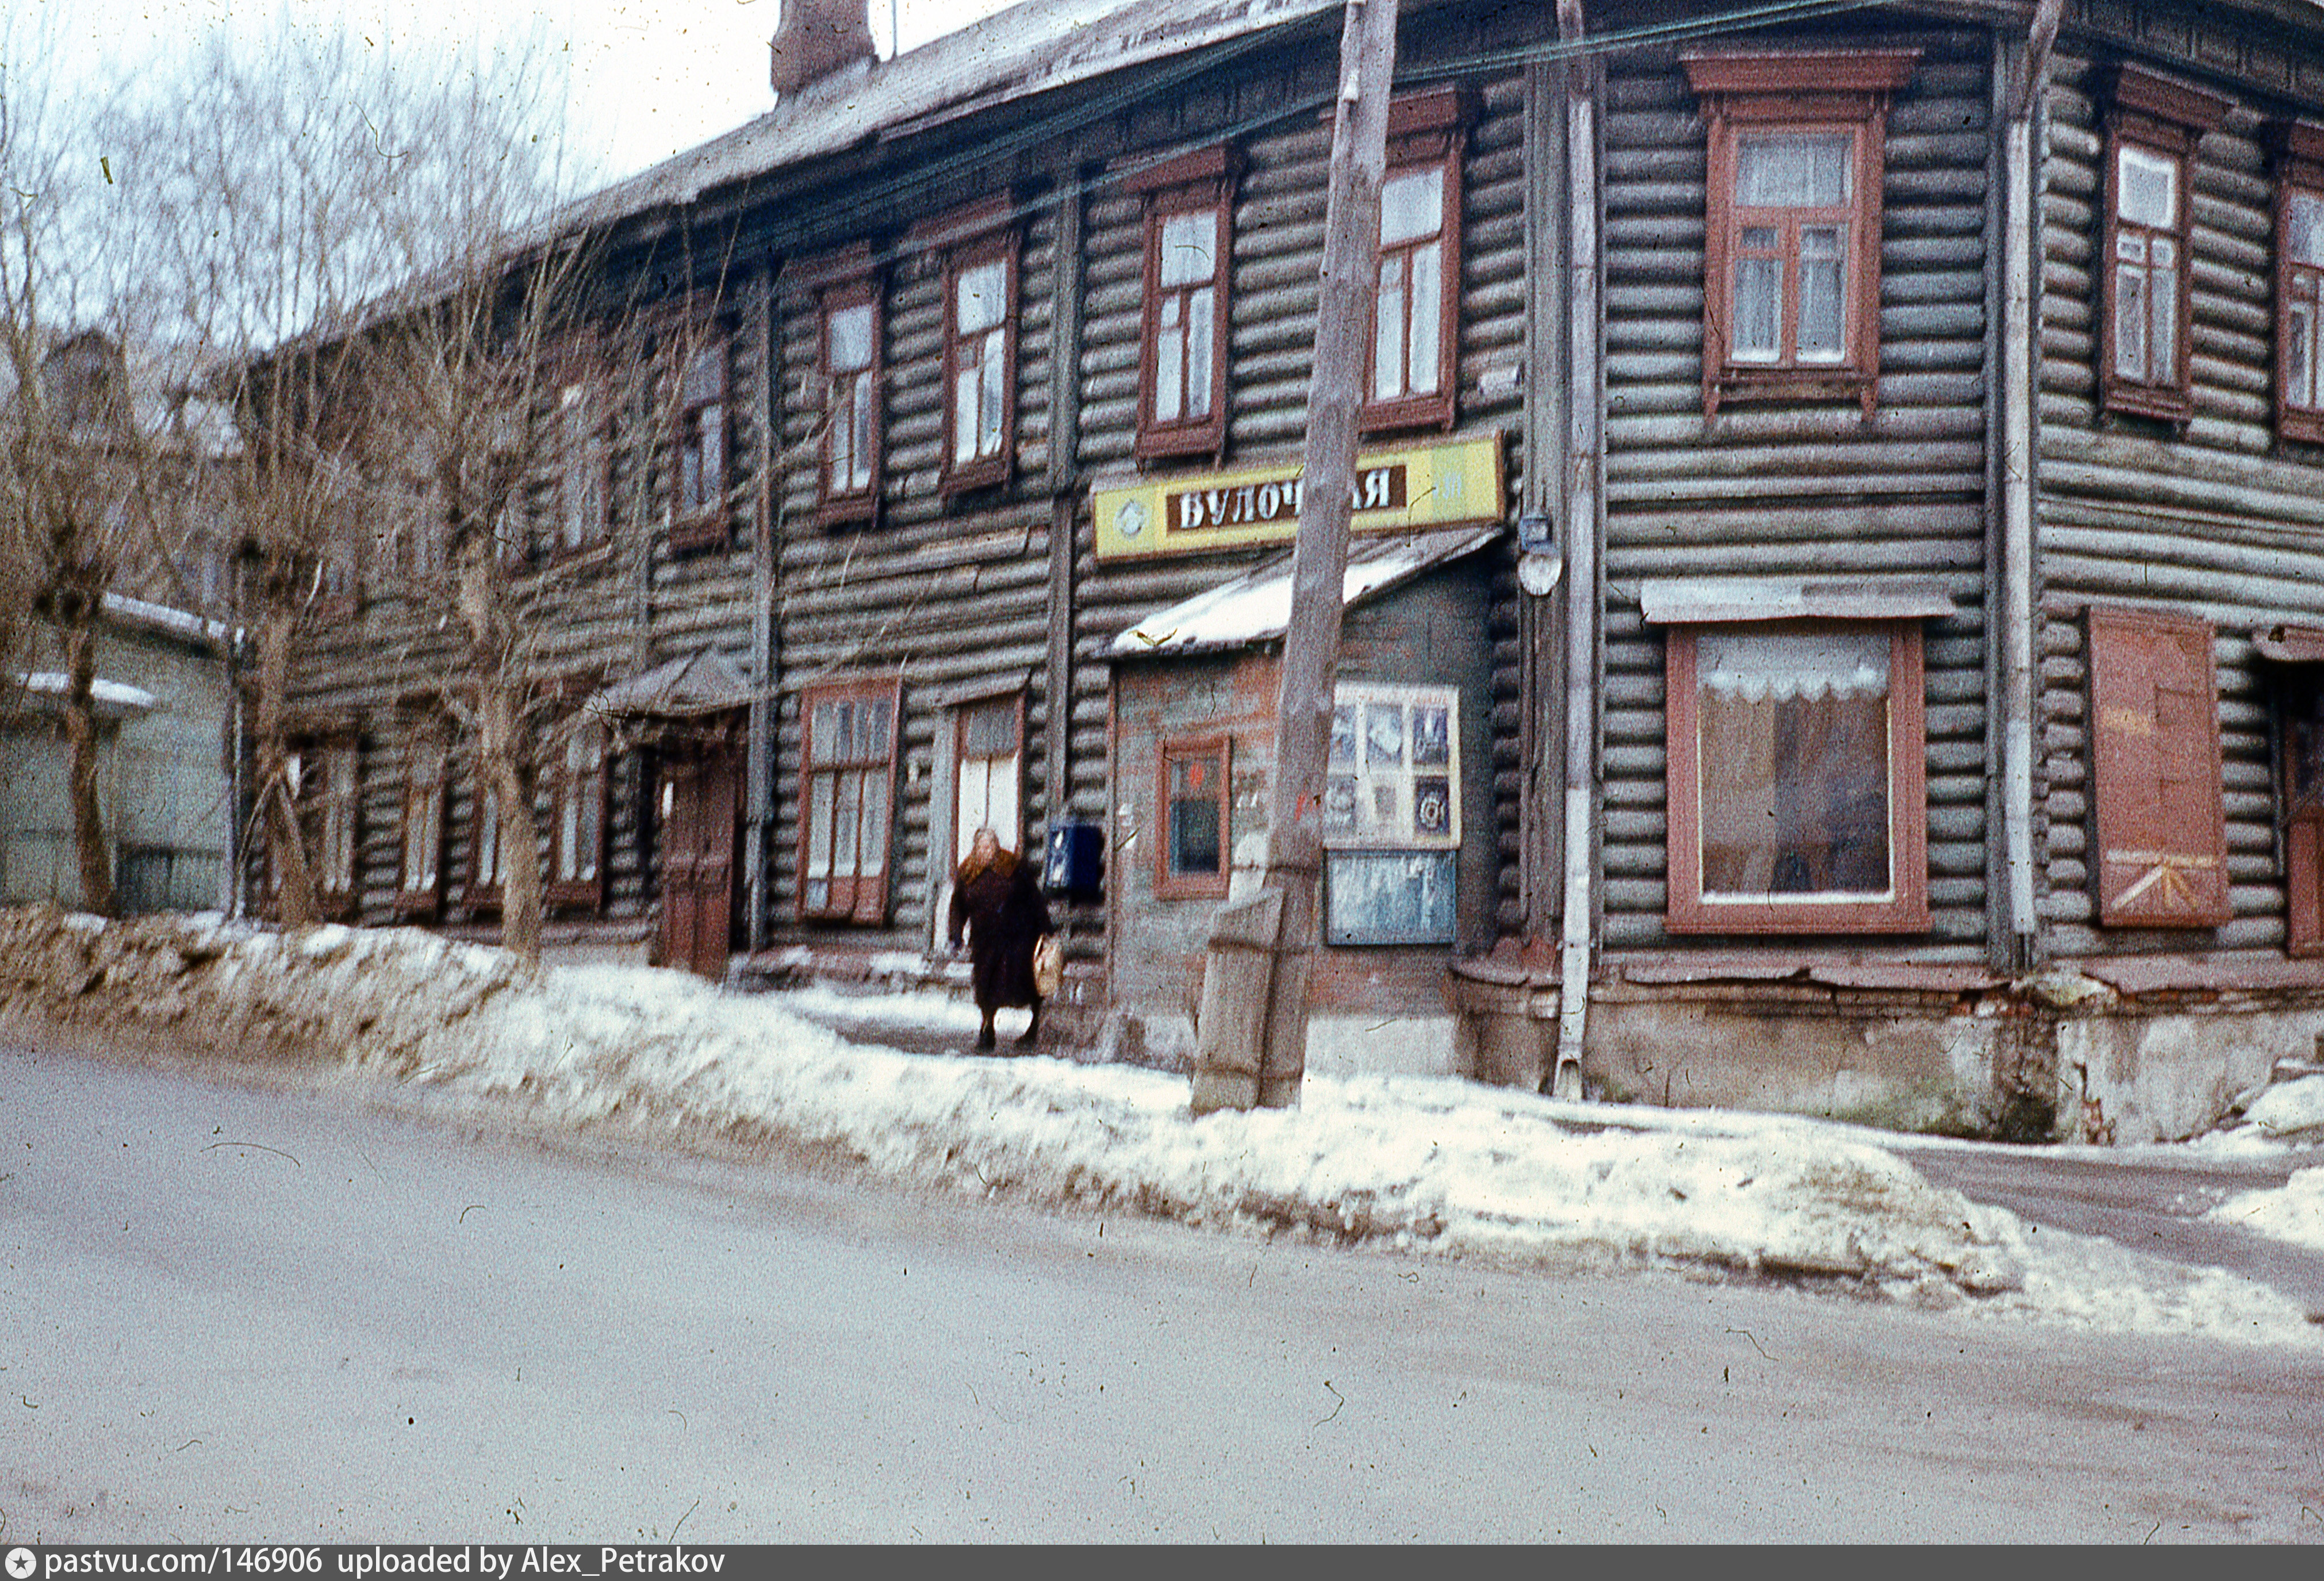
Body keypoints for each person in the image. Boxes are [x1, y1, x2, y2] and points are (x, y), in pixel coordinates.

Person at [947, 827, 1052, 1051]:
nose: (987, 850)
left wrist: (1046, 929)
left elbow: (1034, 898)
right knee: (985, 986)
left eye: (991, 845)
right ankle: (987, 1030)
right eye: (982, 846)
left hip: (1018, 939)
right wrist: (956, 934)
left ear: (997, 846)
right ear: (976, 848)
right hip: (985, 942)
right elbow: (957, 905)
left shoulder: (1013, 867)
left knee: (1025, 985)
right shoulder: (968, 872)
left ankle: (1034, 1028)